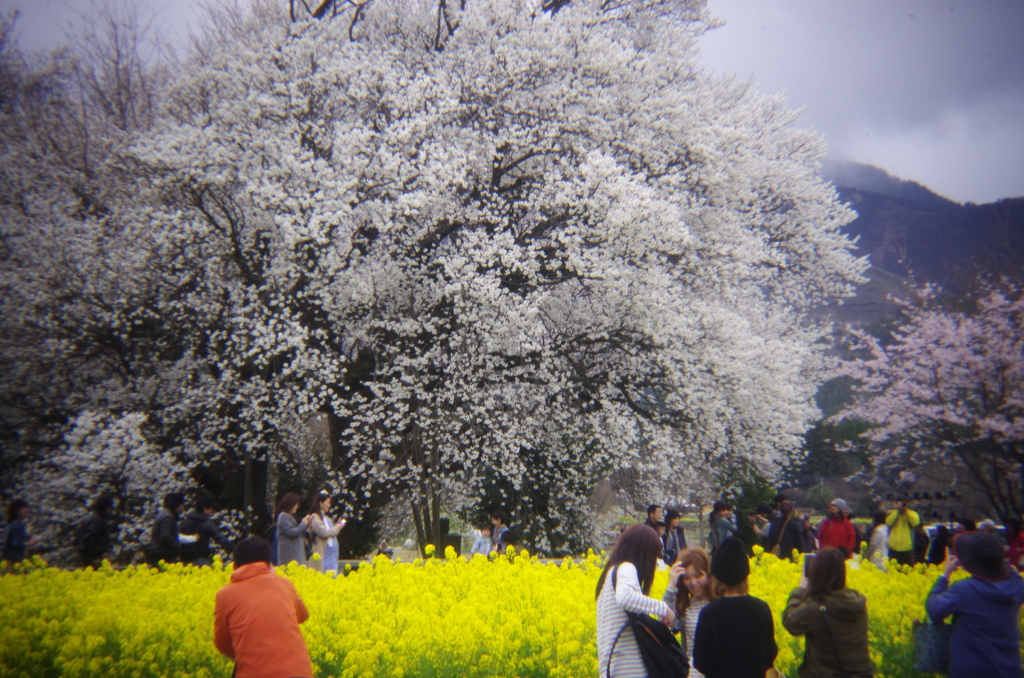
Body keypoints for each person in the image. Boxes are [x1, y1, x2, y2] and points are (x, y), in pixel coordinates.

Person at [926, 530, 1024, 677]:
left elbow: (934, 609)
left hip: (970, 671)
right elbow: (1011, 573)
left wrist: (944, 576)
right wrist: (999, 564)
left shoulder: (965, 589)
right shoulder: (1017, 586)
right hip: (1009, 671)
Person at [214, 537, 314, 678]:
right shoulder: (285, 584)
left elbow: (222, 644)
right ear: (270, 564)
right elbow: (303, 616)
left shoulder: (225, 595)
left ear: (234, 566)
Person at [595, 524, 675, 678]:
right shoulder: (626, 567)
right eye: (653, 556)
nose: (654, 563)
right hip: (630, 671)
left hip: (612, 670)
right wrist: (664, 609)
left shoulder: (608, 575)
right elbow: (625, 598)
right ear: (643, 552)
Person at [692, 537, 777, 678]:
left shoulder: (709, 612)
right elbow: (770, 653)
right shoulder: (762, 609)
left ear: (716, 578)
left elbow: (700, 661)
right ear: (745, 575)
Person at [782, 548, 873, 678]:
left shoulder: (816, 608)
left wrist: (800, 590)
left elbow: (790, 621)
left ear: (816, 573)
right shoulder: (858, 603)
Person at [663, 547, 714, 678]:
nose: (693, 583)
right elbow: (665, 625)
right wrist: (671, 585)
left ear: (709, 573)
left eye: (698, 576)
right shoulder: (684, 606)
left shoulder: (720, 603)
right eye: (686, 578)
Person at [179, 496, 232, 566]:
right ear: (205, 509)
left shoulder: (185, 521)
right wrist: (234, 548)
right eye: (211, 509)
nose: (211, 511)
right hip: (201, 559)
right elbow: (220, 538)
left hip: (184, 559)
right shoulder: (206, 523)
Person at [148, 492, 198, 565]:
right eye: (182, 505)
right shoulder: (168, 517)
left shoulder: (163, 513)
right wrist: (177, 547)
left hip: (157, 552)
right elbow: (165, 535)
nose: (182, 508)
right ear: (176, 505)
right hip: (162, 553)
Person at [307, 491, 345, 574]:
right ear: (321, 503)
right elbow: (324, 533)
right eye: (327, 502)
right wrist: (338, 527)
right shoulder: (315, 517)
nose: (329, 505)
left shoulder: (326, 518)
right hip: (323, 554)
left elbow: (330, 531)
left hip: (332, 556)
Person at [275, 493, 312, 567]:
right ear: (290, 503)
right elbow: (291, 532)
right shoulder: (283, 516)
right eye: (296, 504)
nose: (297, 506)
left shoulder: (288, 516)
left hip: (294, 559)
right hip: (290, 560)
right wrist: (303, 523)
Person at [77, 495, 115, 567]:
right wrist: (95, 556)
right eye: (109, 508)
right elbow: (88, 540)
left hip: (88, 558)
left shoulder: (91, 518)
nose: (111, 510)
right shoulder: (96, 521)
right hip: (93, 560)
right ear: (105, 508)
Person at [885, 501, 920, 566]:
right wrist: (897, 511)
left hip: (907, 547)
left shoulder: (912, 513)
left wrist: (906, 511)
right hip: (894, 547)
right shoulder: (892, 513)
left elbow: (915, 522)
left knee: (907, 569)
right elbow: (888, 523)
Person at [3, 499, 37, 564]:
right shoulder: (17, 525)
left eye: (27, 508)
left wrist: (27, 536)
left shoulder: (12, 523)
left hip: (8, 560)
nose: (27, 510)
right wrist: (29, 543)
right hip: (13, 561)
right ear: (17, 511)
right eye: (24, 508)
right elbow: (16, 544)